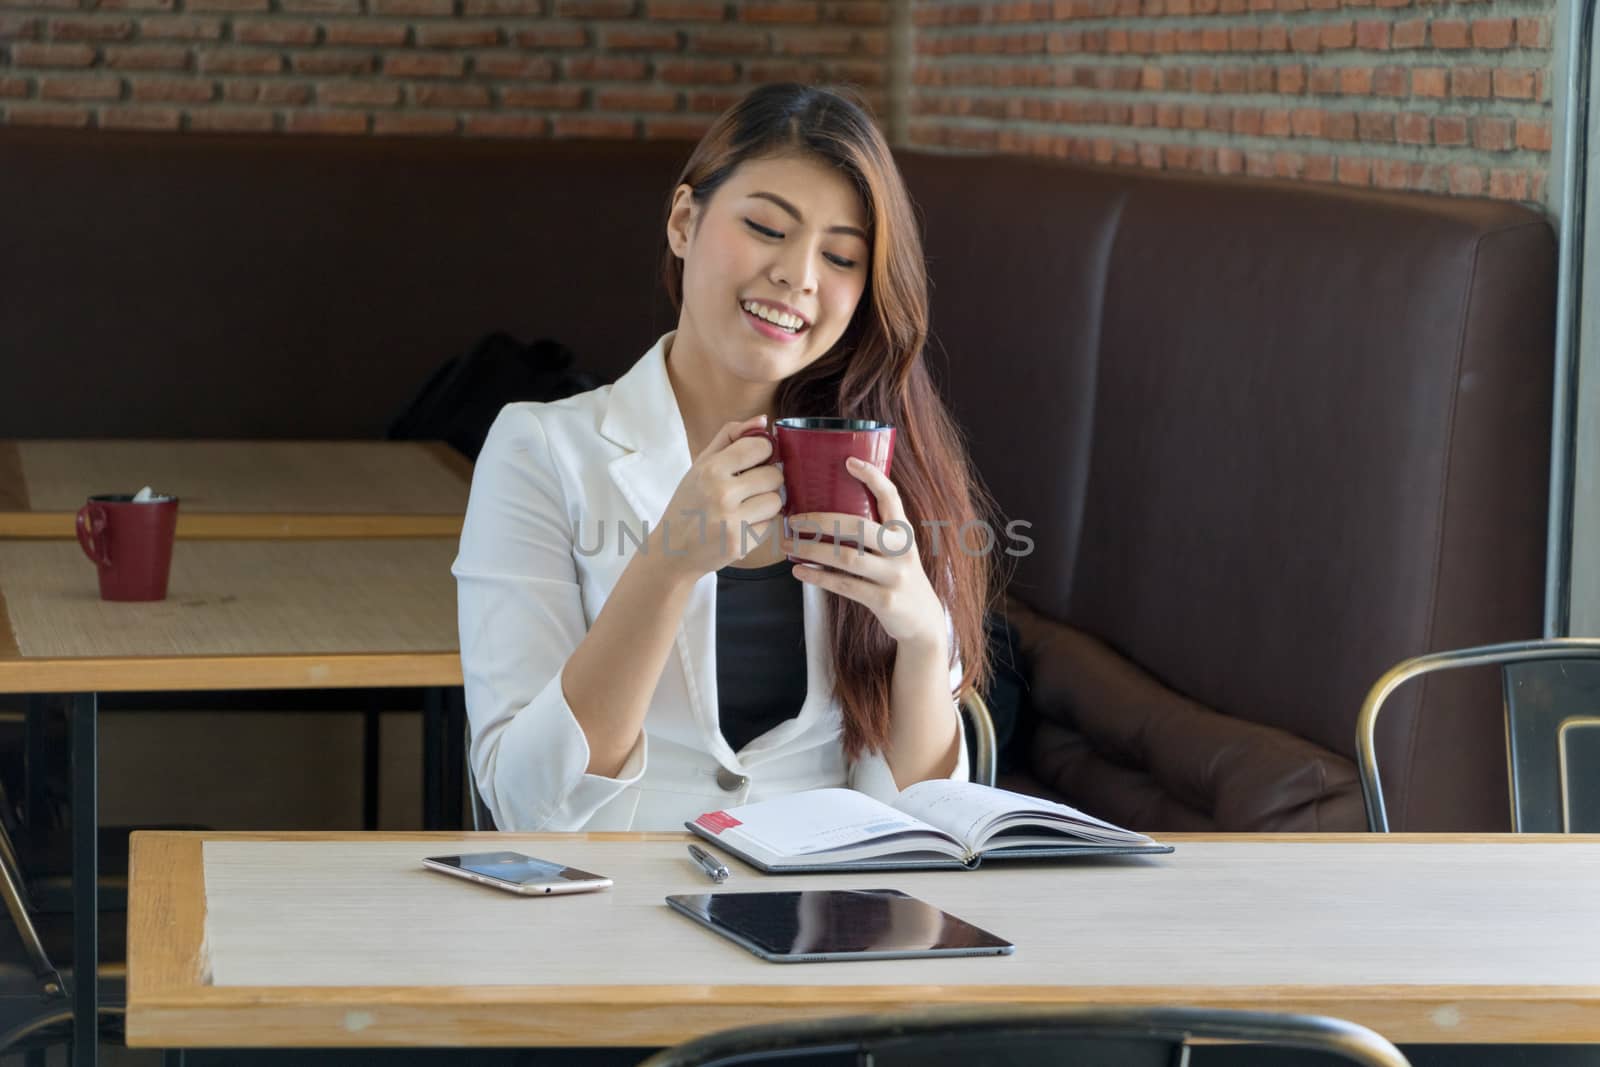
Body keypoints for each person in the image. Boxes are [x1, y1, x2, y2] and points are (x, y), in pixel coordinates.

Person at [452, 83, 997, 831]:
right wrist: (667, 562)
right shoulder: (540, 450)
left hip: (827, 927)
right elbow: (525, 804)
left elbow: (926, 823)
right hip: (606, 926)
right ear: (684, 221)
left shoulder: (881, 467)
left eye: (840, 256)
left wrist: (923, 636)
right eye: (768, 227)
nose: (800, 275)